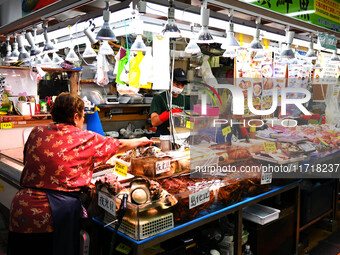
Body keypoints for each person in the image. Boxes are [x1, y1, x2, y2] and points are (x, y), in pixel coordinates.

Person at [7, 92, 151, 255]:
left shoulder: (36, 132)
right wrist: (140, 141)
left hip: (20, 209)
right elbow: (118, 145)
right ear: (76, 116)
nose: (83, 121)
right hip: (51, 216)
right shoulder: (83, 137)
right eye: (83, 117)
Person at [150, 68, 192, 137]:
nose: (180, 87)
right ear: (170, 82)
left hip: (182, 137)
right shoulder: (159, 98)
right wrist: (169, 114)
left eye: (182, 85)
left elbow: (195, 118)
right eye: (177, 83)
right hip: (163, 137)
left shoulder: (186, 100)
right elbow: (154, 122)